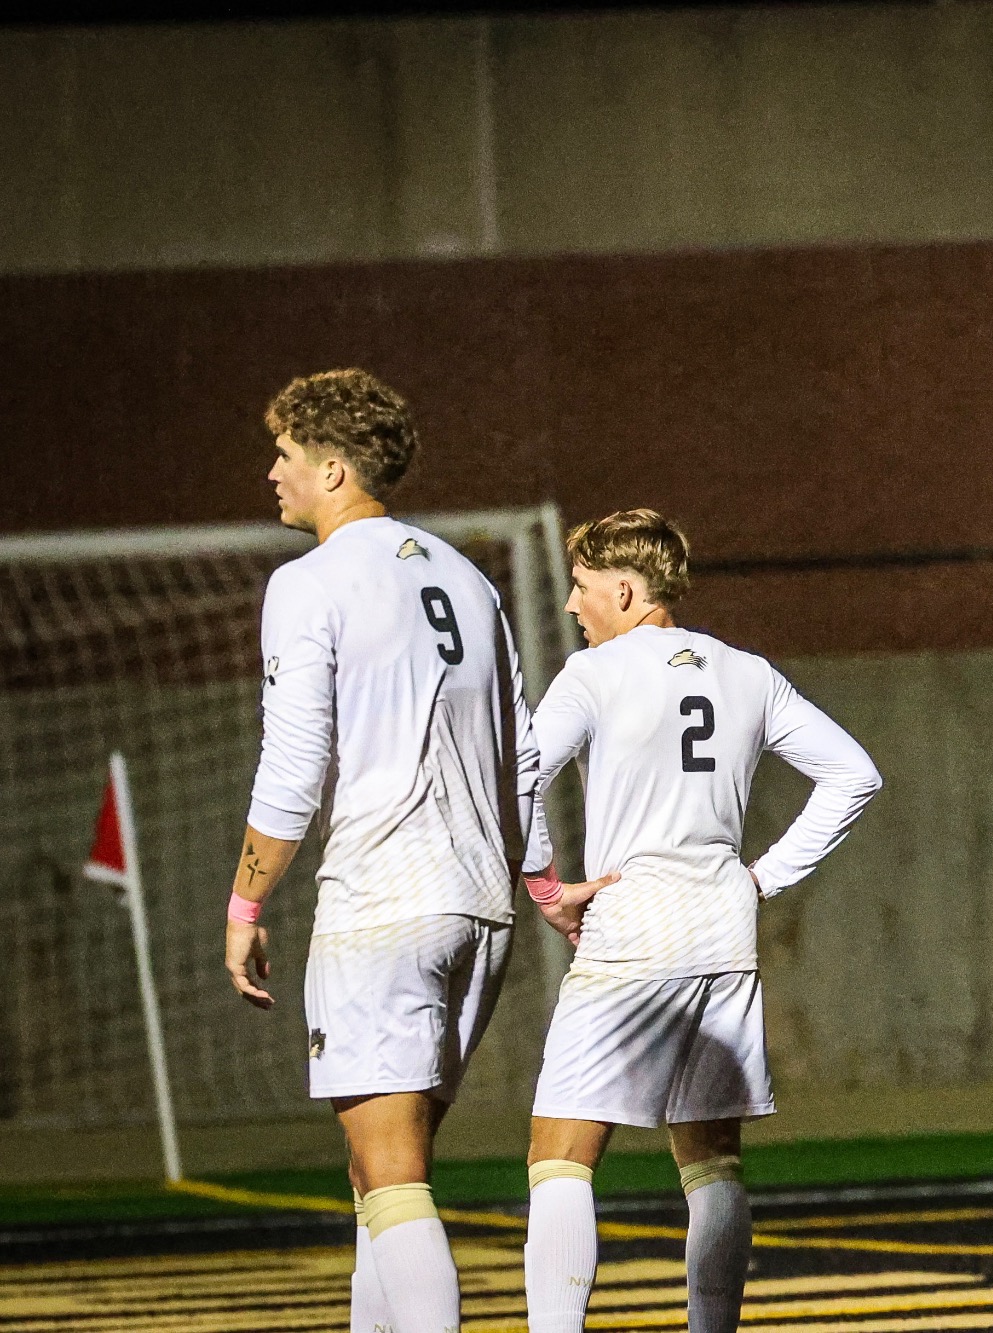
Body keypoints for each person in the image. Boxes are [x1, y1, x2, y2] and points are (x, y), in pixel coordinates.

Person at [222, 369, 594, 1333]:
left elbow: (294, 764)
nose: (272, 473)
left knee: (391, 1173)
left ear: (333, 468)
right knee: (377, 1170)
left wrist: (245, 906)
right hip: (480, 908)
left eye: (287, 455)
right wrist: (544, 881)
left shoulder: (308, 583)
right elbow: (521, 745)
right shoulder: (467, 577)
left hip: (383, 904)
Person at [516, 509, 881, 1333]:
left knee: (559, 1156)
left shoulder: (593, 673)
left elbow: (518, 780)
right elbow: (854, 774)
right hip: (720, 926)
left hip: (631, 924)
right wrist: (760, 879)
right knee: (711, 1160)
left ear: (623, 588)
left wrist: (547, 889)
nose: (574, 606)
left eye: (580, 588)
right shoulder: (747, 672)